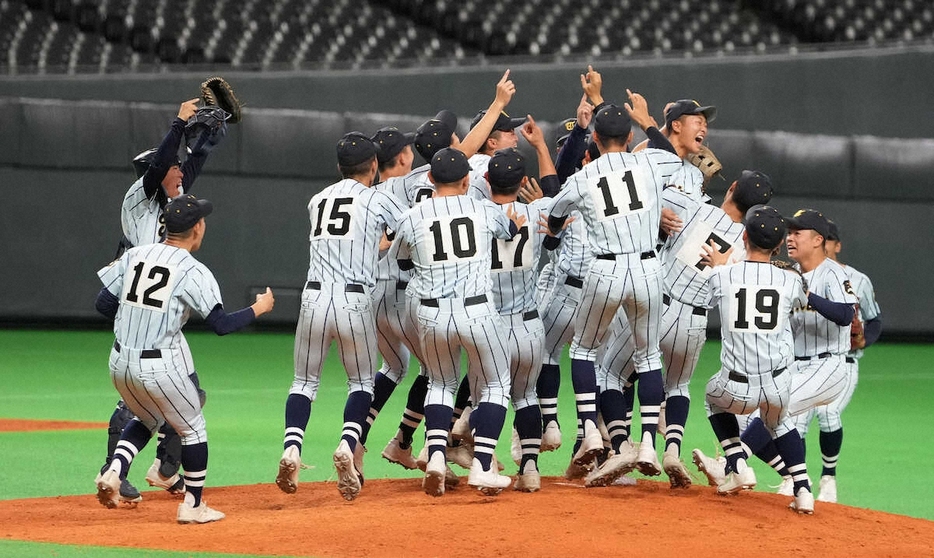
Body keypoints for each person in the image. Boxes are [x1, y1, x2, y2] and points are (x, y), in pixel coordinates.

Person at [94, 194, 275, 524]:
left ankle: (114, 472)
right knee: (193, 429)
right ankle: (193, 505)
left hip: (119, 361)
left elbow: (104, 304)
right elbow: (220, 325)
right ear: (197, 228)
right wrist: (258, 308)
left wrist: (138, 320)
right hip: (158, 365)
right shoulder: (194, 270)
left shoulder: (136, 254)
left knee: (146, 419)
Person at [544, 93, 682, 476]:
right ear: (629, 135)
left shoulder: (585, 176)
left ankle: (590, 430)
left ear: (596, 140)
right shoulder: (649, 165)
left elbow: (555, 212)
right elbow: (672, 156)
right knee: (649, 356)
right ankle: (650, 446)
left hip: (605, 270)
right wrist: (649, 122)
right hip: (648, 269)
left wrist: (555, 228)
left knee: (584, 352)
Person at [102, 98, 228, 503]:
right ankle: (112, 471)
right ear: (153, 175)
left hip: (157, 306)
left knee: (190, 392)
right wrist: (178, 122)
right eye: (172, 168)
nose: (179, 172)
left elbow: (187, 168)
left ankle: (167, 469)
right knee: (134, 403)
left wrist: (204, 141)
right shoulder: (140, 198)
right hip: (138, 307)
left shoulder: (171, 204)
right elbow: (161, 167)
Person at [277, 132, 407, 501]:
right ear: (372, 166)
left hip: (314, 298)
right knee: (362, 383)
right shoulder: (378, 199)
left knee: (304, 382)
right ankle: (349, 445)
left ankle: (291, 449)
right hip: (354, 300)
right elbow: (406, 231)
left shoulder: (317, 200)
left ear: (338, 167)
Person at [391, 147, 525, 497]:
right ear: (468, 179)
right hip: (476, 311)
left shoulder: (413, 215)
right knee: (496, 384)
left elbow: (403, 263)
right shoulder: (482, 208)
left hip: (432, 314)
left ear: (431, 179)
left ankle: (435, 456)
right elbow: (510, 231)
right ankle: (482, 466)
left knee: (440, 382)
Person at [698, 205, 815, 514]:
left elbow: (713, 292)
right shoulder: (791, 280)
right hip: (777, 384)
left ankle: (736, 463)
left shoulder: (723, 276)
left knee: (711, 399)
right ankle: (803, 490)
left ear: (744, 235)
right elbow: (798, 299)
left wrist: (721, 265)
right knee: (779, 422)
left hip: (736, 388)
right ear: (778, 245)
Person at [778, 220, 882, 503]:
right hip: (798, 362)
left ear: (831, 244)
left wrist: (863, 340)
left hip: (841, 363)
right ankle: (796, 478)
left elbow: (873, 321)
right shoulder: (791, 273)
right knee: (793, 423)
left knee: (827, 414)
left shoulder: (855, 279)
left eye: (832, 240)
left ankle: (829, 478)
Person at [485, 138, 562, 492]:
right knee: (526, 397)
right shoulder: (537, 211)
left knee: (490, 395)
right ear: (521, 183)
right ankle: (530, 468)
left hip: (492, 324)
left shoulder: (477, 214)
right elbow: (556, 193)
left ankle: (484, 463)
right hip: (530, 325)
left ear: (487, 179)